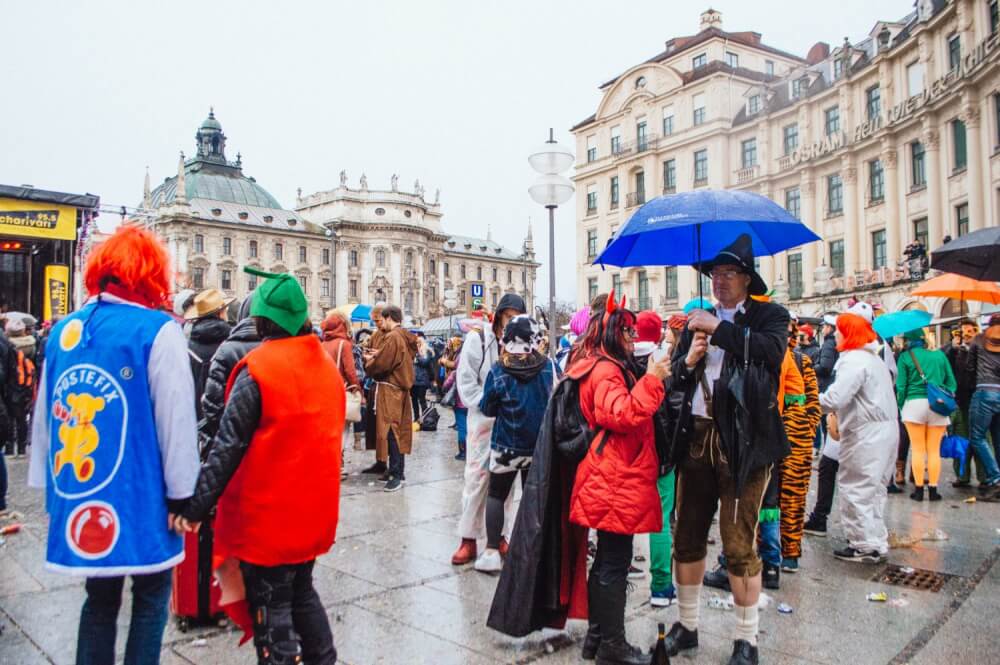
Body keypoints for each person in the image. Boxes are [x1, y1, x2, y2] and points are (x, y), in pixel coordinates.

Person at [28, 226, 200, 664]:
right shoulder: (158, 330)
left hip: (82, 491)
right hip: (142, 494)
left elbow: (46, 413)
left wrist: (48, 485)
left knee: (99, 599)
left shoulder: (65, 331)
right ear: (151, 276)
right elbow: (176, 420)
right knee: (151, 594)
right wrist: (184, 493)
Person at [178, 266, 343, 665]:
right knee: (302, 591)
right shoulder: (325, 367)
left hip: (271, 518)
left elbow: (226, 446)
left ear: (261, 318)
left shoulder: (259, 371)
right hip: (314, 512)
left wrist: (196, 507)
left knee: (273, 608)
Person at [662, 234, 789, 665]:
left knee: (738, 545)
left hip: (744, 444)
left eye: (728, 273)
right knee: (687, 537)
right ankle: (688, 625)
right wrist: (690, 359)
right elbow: (675, 381)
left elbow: (771, 355)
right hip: (696, 441)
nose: (719, 281)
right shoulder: (696, 320)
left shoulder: (771, 316)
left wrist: (722, 330)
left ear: (746, 278)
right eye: (714, 274)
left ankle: (746, 639)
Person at [568, 293, 671, 664]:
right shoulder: (606, 370)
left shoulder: (604, 363)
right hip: (613, 476)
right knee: (613, 560)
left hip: (612, 473)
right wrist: (654, 379)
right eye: (626, 331)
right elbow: (623, 414)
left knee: (609, 560)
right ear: (612, 332)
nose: (632, 337)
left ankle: (598, 638)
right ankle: (612, 646)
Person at [474, 315, 557, 574]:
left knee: (497, 495)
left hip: (506, 447)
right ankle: (534, 552)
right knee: (534, 499)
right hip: (539, 447)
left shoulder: (499, 370)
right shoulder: (548, 367)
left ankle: (490, 552)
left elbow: (487, 408)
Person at [452, 294, 526, 565]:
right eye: (508, 316)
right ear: (499, 315)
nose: (510, 323)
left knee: (505, 483)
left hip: (510, 422)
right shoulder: (478, 339)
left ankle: (499, 535)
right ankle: (468, 538)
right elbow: (466, 382)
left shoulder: (521, 342)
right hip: (483, 419)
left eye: (516, 317)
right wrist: (489, 402)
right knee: (476, 478)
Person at [818, 313, 898, 562]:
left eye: (839, 330)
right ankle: (875, 540)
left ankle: (863, 545)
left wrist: (807, 401)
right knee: (874, 488)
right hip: (885, 429)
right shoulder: (874, 359)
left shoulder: (854, 360)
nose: (835, 334)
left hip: (866, 432)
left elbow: (836, 398)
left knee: (857, 486)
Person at [629, 310, 678, 608]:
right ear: (657, 334)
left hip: (629, 454)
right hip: (660, 455)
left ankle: (622, 569)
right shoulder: (663, 365)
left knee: (623, 514)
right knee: (660, 521)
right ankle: (661, 586)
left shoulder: (620, 362)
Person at [896, 328, 957, 501]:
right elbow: (951, 383)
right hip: (937, 405)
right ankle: (933, 489)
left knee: (917, 449)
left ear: (909, 340)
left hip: (913, 405)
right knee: (933, 450)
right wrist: (942, 395)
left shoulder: (905, 357)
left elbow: (901, 386)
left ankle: (918, 490)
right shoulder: (939, 356)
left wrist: (902, 406)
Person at [364, 305, 418, 492]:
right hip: (398, 389)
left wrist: (370, 362)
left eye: (382, 320)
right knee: (397, 431)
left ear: (388, 318)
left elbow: (382, 365)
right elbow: (395, 358)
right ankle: (396, 471)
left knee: (392, 432)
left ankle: (397, 473)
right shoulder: (402, 335)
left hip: (391, 390)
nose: (381, 324)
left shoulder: (393, 336)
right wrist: (378, 355)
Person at [199, 294, 261, 452]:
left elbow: (212, 405)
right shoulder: (278, 350)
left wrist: (226, 437)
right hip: (265, 448)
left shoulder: (227, 349)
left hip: (227, 445)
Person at [185, 288, 234, 421]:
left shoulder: (184, 348)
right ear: (220, 313)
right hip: (223, 423)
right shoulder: (231, 347)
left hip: (190, 421)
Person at [967, 314, 1000, 500]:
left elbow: (969, 367)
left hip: (984, 391)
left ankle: (996, 477)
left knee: (977, 436)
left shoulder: (979, 339)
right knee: (998, 438)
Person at [321, 309, 361, 460]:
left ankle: (330, 459)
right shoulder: (344, 344)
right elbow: (350, 371)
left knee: (329, 428)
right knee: (343, 428)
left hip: (324, 392)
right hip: (340, 391)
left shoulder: (322, 344)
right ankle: (338, 461)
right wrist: (357, 389)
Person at [947, 320, 982, 487]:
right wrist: (953, 349)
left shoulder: (982, 350)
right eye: (962, 332)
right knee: (960, 440)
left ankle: (985, 477)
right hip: (960, 402)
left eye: (970, 331)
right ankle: (962, 475)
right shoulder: (953, 351)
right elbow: (946, 365)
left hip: (978, 403)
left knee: (981, 441)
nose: (967, 335)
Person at [4, 317, 36, 457]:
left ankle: (10, 446)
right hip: (26, 386)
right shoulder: (32, 344)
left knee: (10, 417)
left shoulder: (7, 345)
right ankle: (22, 448)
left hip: (10, 385)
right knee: (22, 417)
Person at [362, 306, 388, 475]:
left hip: (389, 388)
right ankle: (380, 461)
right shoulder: (376, 334)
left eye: (378, 320)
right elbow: (367, 351)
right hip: (375, 385)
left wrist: (377, 356)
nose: (377, 324)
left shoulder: (394, 336)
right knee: (375, 427)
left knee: (388, 429)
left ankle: (391, 465)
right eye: (375, 321)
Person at [411, 334, 433, 417]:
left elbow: (425, 362)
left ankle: (425, 418)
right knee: (414, 400)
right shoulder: (413, 352)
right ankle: (416, 418)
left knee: (422, 400)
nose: (417, 345)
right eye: (416, 343)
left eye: (418, 343)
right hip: (413, 380)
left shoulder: (427, 351)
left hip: (422, 380)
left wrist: (417, 355)